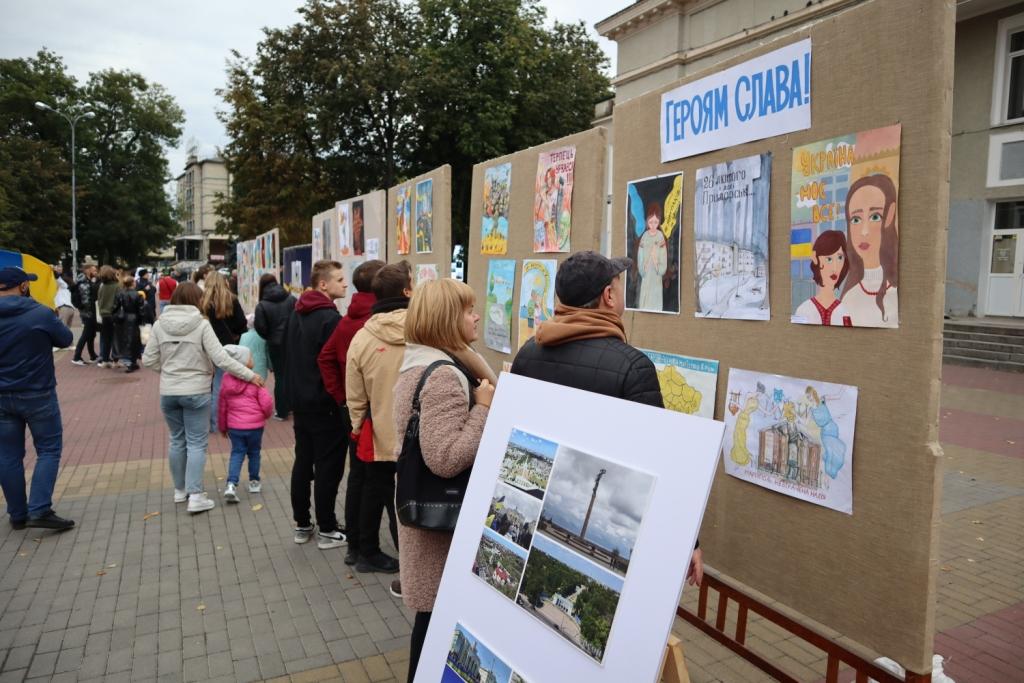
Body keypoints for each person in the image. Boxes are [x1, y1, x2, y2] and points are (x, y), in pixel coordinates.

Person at [511, 251, 704, 586]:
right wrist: (689, 541)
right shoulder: (633, 367)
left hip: (532, 505)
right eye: (619, 283)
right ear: (609, 296)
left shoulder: (529, 353)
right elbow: (656, 463)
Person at [393, 279, 495, 682]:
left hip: (430, 520)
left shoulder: (420, 362)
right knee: (435, 626)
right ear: (446, 319)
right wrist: (483, 409)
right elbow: (446, 458)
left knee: (432, 624)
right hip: (440, 529)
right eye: (469, 310)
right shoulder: (442, 376)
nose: (477, 315)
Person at [142, 282, 262, 513]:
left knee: (177, 440)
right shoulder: (201, 325)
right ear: (197, 300)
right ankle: (196, 495)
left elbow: (148, 359)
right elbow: (222, 359)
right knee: (196, 442)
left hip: (169, 391)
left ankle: (180, 491)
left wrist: (168, 372)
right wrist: (250, 375)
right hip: (196, 390)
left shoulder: (159, 325)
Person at [342, 261, 412, 575]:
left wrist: (358, 425)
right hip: (420, 432)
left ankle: (367, 551)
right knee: (411, 495)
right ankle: (414, 560)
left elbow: (354, 394)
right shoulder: (426, 329)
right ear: (408, 290)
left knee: (376, 490)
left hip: (381, 431)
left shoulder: (362, 338)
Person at [316, 260, 385, 568]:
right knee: (376, 480)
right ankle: (367, 549)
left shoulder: (347, 319)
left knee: (358, 475)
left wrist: (342, 396)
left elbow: (325, 357)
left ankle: (355, 545)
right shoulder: (375, 320)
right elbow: (327, 358)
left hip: (353, 409)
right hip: (374, 409)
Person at [0, 266, 76, 531]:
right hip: (37, 392)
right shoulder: (38, 312)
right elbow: (66, 338)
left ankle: (18, 514)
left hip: (1, 395)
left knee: (8, 455)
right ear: (22, 286)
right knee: (48, 449)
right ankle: (40, 509)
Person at [284, 260, 349, 549]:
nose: (345, 284)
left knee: (303, 463)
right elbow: (335, 364)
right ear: (323, 284)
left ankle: (302, 524)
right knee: (328, 467)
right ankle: (327, 529)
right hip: (325, 404)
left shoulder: (296, 313)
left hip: (301, 402)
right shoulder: (330, 320)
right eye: (339, 279)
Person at [839, 174, 899, 327]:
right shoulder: (849, 298)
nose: (864, 231)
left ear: (890, 215)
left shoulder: (896, 292)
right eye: (856, 220)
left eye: (875, 217)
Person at [218, 344, 273, 503]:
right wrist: (265, 415)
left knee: (237, 453)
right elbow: (267, 402)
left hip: (235, 427)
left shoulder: (226, 380)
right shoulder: (254, 379)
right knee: (254, 452)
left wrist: (223, 427)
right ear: (243, 363)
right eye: (249, 357)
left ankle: (231, 484)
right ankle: (254, 482)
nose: (252, 359)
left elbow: (222, 406)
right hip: (255, 426)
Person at [203, 272, 247, 432]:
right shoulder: (232, 299)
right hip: (229, 346)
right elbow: (241, 323)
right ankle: (229, 420)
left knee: (213, 384)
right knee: (230, 382)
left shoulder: (203, 302)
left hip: (209, 347)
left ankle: (214, 422)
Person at [254, 273, 297, 420]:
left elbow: (260, 327)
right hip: (292, 341)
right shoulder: (291, 299)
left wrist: (270, 336)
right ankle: (292, 405)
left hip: (275, 343)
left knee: (280, 377)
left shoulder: (262, 305)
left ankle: (282, 411)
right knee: (292, 373)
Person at [794, 230, 853, 326]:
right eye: (829, 259)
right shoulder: (803, 310)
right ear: (815, 258)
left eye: (840, 258)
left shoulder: (844, 313)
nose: (835, 267)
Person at [113, 273, 148, 373]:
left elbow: (115, 307)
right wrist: (142, 321)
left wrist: (115, 317)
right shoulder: (137, 295)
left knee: (124, 340)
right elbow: (141, 310)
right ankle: (131, 362)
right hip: (133, 319)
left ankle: (129, 362)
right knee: (134, 341)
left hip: (122, 319)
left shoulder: (120, 294)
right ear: (133, 283)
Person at [637, 203, 668, 311]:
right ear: (647, 221)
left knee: (655, 303)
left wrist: (655, 261)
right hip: (646, 276)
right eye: (650, 222)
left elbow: (663, 259)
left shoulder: (660, 236)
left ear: (659, 221)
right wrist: (643, 268)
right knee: (644, 302)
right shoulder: (644, 236)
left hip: (656, 277)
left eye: (655, 222)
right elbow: (640, 256)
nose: (653, 224)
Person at [71, 259, 100, 365]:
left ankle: (92, 355)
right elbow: (86, 299)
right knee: (86, 334)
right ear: (87, 270)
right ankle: (76, 357)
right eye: (94, 270)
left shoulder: (86, 280)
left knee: (91, 334)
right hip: (88, 312)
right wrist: (90, 312)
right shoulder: (84, 282)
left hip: (87, 312)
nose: (95, 272)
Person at [96, 265, 119, 368]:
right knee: (116, 338)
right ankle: (116, 360)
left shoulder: (102, 286)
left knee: (106, 338)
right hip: (114, 314)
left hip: (104, 315)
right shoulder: (117, 286)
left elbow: (99, 300)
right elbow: (118, 300)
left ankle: (105, 360)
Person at [239, 315, 270, 382]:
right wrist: (271, 366)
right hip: (260, 370)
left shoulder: (243, 336)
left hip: (246, 368)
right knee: (260, 387)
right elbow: (268, 353)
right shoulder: (263, 337)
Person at [53, 264, 75, 330]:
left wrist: (54, 270)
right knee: (67, 331)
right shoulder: (66, 289)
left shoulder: (63, 285)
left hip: (64, 308)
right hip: (70, 309)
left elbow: (57, 277)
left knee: (61, 330)